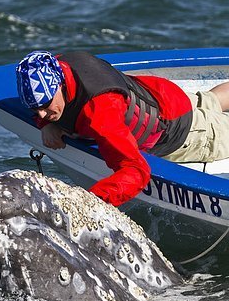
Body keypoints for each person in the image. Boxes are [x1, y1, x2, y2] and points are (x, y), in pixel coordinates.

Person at [16, 49, 229, 207]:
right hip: (164, 96)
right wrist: (46, 123)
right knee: (210, 100)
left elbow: (137, 171)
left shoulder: (100, 112)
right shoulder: (59, 64)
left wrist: (88, 203)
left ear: (60, 85)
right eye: (35, 109)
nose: (41, 113)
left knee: (212, 117)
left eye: (46, 106)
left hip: (187, 133)